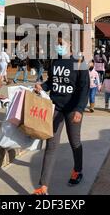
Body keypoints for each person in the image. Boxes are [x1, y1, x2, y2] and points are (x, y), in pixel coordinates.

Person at [33, 38, 89, 195]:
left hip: (73, 110)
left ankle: (78, 170)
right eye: (56, 44)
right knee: (51, 145)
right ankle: (43, 186)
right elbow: (51, 82)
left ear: (70, 44)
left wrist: (79, 109)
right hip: (55, 107)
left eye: (61, 43)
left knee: (74, 142)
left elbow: (85, 87)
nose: (58, 47)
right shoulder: (55, 61)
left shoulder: (79, 61)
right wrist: (41, 86)